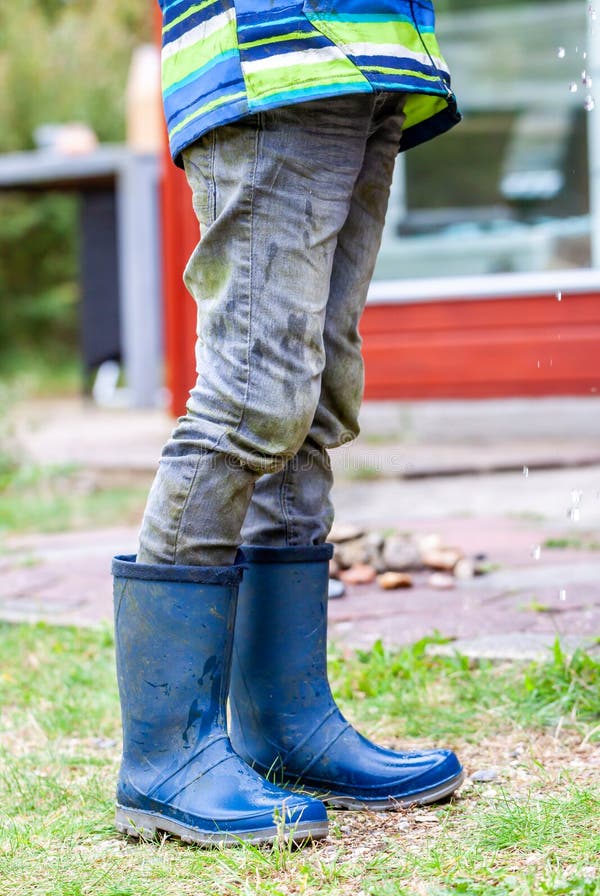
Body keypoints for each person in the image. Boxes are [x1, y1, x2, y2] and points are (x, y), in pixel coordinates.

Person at [112, 0, 464, 847]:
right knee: (253, 396)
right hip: (274, 52)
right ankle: (166, 756)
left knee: (316, 393)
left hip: (372, 59)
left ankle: (287, 723)